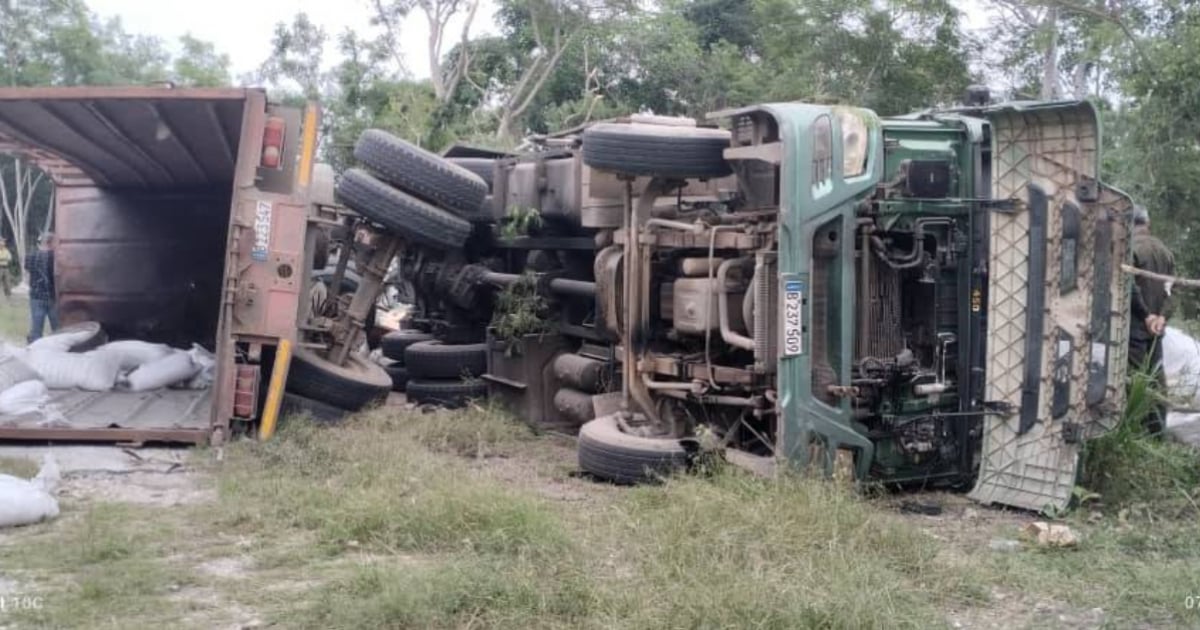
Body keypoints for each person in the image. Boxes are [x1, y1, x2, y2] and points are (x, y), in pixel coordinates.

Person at [1128, 206, 1175, 435]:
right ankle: (1157, 433)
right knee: (1156, 379)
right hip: (1156, 330)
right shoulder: (1165, 252)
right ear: (1148, 223)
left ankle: (1130, 430)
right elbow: (1173, 291)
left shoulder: (1131, 249)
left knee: (1132, 380)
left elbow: (1130, 287)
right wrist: (1161, 318)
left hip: (1135, 327)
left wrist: (1146, 315)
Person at [26, 232, 58, 343]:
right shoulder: (57, 257)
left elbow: (29, 274)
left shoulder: (30, 256)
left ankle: (33, 354)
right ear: (51, 242)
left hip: (35, 297)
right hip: (53, 298)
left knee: (36, 331)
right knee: (58, 331)